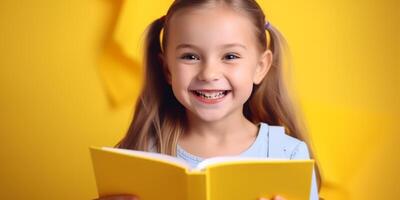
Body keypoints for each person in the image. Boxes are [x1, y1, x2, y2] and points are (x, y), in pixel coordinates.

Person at [96, 0, 322, 199]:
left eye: (230, 56)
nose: (208, 73)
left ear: (260, 67)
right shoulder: (142, 153)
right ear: (167, 69)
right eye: (190, 56)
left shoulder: (288, 156)